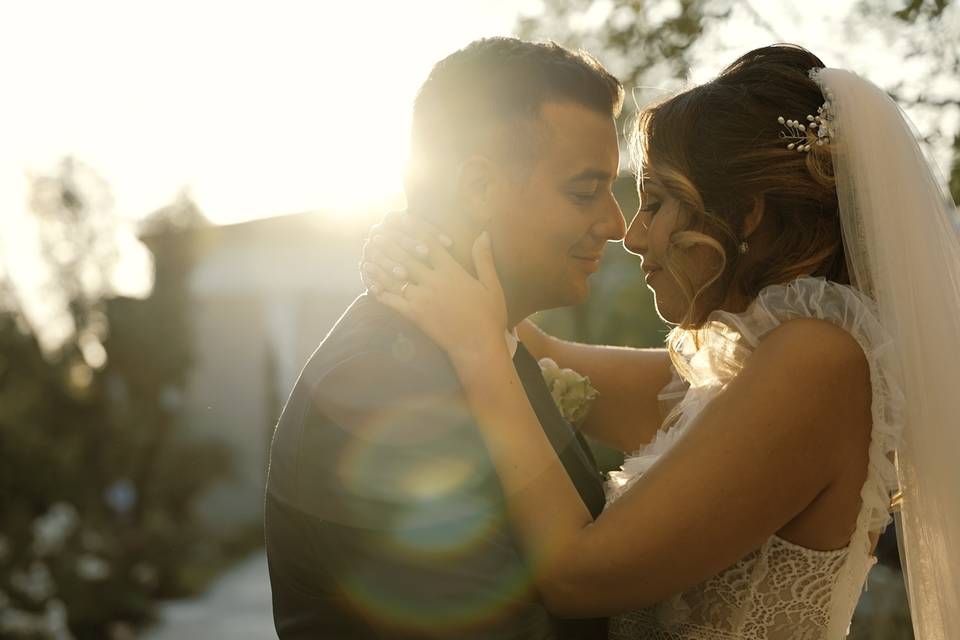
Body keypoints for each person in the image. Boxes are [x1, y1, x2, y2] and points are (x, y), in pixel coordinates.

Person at [362, 44, 960, 639]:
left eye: (654, 202)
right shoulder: (738, 373)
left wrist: (476, 353)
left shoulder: (820, 362)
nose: (631, 233)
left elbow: (576, 577)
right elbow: (542, 353)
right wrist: (432, 244)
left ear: (745, 215)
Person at [264, 37, 628, 639]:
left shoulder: (492, 347)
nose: (616, 224)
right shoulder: (382, 388)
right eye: (585, 191)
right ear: (479, 188)